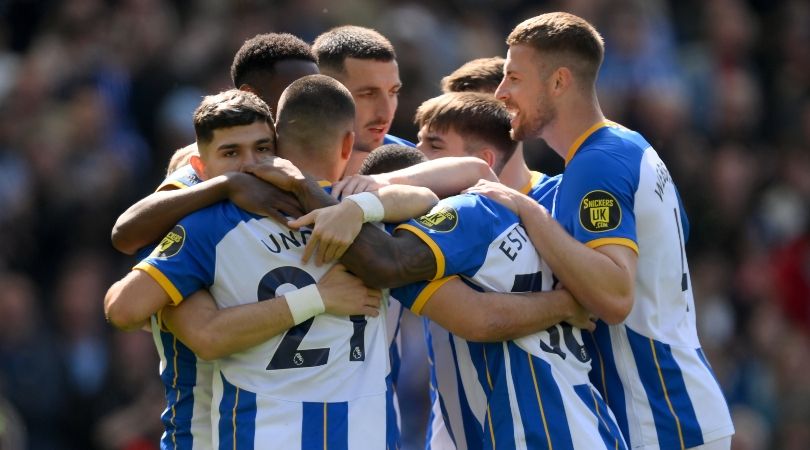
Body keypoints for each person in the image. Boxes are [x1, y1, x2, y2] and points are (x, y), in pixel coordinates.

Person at [258, 91, 623, 449]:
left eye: (433, 148)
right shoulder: (500, 208)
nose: (424, 160)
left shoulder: (458, 216)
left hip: (539, 429)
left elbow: (472, 314)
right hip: (587, 423)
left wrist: (309, 191)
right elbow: (476, 169)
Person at [105, 80, 434, 449]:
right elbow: (126, 305)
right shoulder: (203, 223)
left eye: (261, 149)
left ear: (280, 148)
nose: (248, 166)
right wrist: (319, 296)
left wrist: (361, 206)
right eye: (231, 155)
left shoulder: (342, 206)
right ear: (201, 166)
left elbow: (428, 194)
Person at [468, 12, 733, 449]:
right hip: (678, 410)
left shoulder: (597, 164)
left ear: (558, 82)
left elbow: (614, 295)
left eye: (513, 77)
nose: (501, 93)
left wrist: (528, 213)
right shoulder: (630, 146)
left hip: (660, 419)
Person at [111, 32, 320, 256]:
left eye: (316, 94)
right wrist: (228, 184)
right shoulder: (215, 161)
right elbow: (125, 234)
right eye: (296, 95)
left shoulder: (326, 150)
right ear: (251, 96)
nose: (310, 107)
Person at [312, 25, 415, 176]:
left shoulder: (412, 162)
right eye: (368, 94)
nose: (386, 113)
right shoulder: (274, 160)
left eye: (393, 92)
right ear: (324, 95)